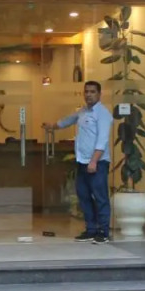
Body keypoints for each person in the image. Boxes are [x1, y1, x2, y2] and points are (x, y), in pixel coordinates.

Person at [42, 81, 113, 244]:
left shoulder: (102, 114)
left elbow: (102, 140)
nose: (89, 95)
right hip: (82, 162)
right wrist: (52, 126)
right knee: (84, 196)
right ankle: (91, 230)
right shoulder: (82, 112)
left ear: (99, 94)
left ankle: (103, 231)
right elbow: (68, 120)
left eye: (92, 92)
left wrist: (94, 161)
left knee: (100, 197)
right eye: (86, 91)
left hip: (97, 163)